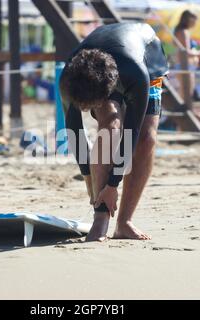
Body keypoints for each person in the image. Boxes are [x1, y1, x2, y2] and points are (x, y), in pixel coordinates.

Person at [59, 22, 169, 241]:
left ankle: (124, 223)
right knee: (109, 127)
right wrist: (88, 177)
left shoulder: (137, 73)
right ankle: (100, 221)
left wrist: (112, 185)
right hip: (98, 62)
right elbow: (74, 132)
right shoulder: (68, 78)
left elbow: (132, 133)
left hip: (146, 57)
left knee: (147, 139)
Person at [174, 10, 200, 97]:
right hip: (185, 66)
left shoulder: (181, 31)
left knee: (185, 92)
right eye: (195, 20)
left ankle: (186, 109)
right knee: (187, 93)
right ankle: (186, 110)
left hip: (185, 66)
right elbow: (186, 52)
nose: (195, 23)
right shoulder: (183, 32)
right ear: (189, 19)